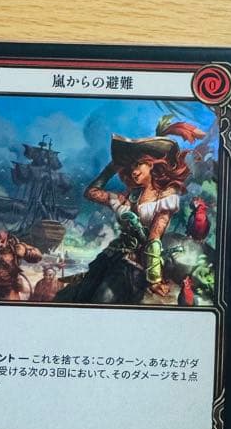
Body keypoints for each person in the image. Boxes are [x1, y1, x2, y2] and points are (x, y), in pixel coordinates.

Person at [56, 122, 202, 305]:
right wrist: (111, 168)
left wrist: (154, 279)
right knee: (79, 295)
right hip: (111, 257)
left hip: (136, 266)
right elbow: (91, 193)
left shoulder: (166, 197)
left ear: (151, 164)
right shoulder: (129, 196)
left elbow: (154, 238)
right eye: (131, 166)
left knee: (102, 299)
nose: (133, 171)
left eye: (139, 164)